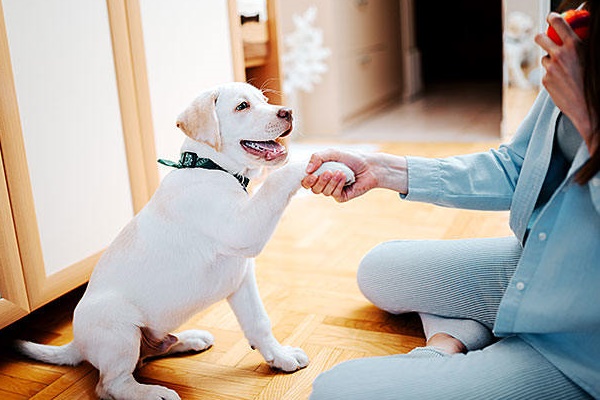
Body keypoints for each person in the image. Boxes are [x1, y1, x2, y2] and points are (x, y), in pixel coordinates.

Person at [301, 1, 600, 399]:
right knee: (379, 269)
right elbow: (517, 165)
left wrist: (588, 117)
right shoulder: (581, 46)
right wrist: (384, 170)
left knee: (335, 391)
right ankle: (456, 338)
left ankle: (458, 349)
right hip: (542, 263)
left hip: (581, 344)